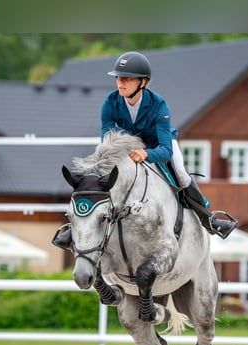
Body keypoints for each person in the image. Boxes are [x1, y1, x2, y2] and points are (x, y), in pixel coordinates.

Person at [53, 51, 237, 250]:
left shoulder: (158, 105)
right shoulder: (110, 102)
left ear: (143, 82)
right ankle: (73, 229)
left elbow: (166, 150)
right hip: (125, 147)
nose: (120, 82)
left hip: (157, 145)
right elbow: (106, 139)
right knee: (97, 173)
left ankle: (208, 220)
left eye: (126, 78)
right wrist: (119, 152)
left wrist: (146, 154)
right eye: (118, 78)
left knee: (182, 175)